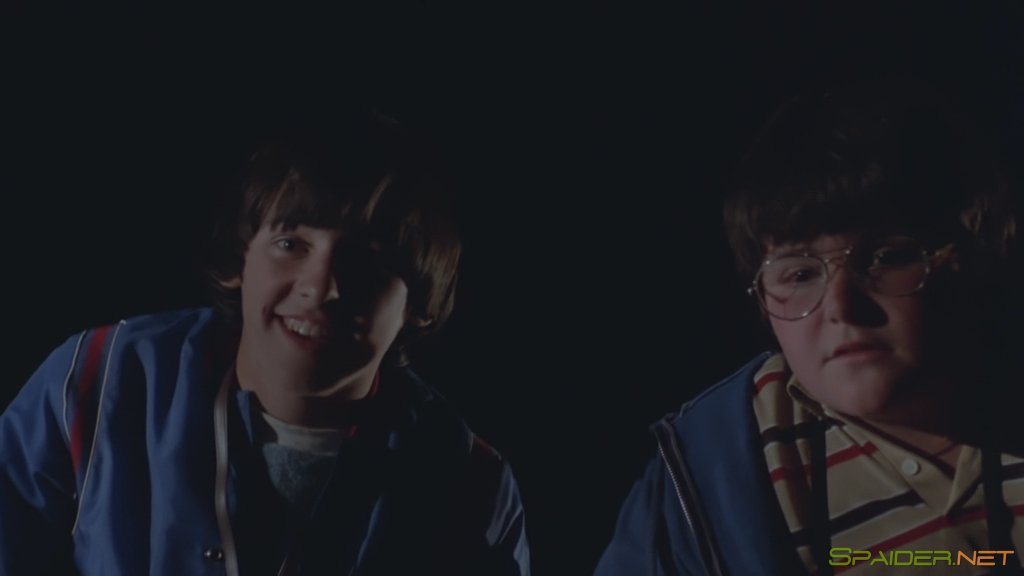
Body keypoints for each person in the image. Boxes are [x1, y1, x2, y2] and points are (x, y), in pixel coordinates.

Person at [0, 111, 530, 575]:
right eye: (290, 243)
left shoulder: (469, 483)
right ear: (239, 261)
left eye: (367, 260)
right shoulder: (103, 380)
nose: (322, 288)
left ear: (418, 303)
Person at [594, 73, 1023, 575]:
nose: (840, 306)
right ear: (761, 299)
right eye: (798, 274)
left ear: (966, 257)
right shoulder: (709, 478)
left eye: (883, 257)